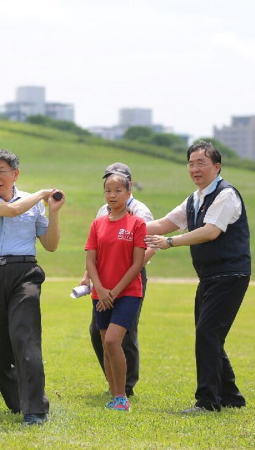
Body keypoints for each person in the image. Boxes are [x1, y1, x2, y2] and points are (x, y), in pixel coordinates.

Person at [144, 140, 250, 413]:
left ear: (217, 166)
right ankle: (231, 397)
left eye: (201, 163)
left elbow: (210, 231)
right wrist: (120, 226)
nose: (195, 169)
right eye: (191, 163)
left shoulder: (226, 195)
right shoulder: (194, 199)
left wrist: (169, 242)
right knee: (210, 335)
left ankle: (207, 402)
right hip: (209, 277)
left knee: (207, 333)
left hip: (230, 274)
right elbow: (163, 223)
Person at [0, 149, 65, 426]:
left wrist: (53, 212)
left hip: (25, 273)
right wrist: (42, 194)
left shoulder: (34, 204)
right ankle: (19, 400)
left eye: (1, 171)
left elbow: (50, 244)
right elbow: (11, 211)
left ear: (15, 174)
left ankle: (35, 409)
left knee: (25, 339)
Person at [80, 163, 156, 398]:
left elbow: (146, 249)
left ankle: (126, 387)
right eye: (107, 187)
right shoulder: (101, 213)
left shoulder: (140, 213)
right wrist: (92, 280)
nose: (112, 193)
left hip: (130, 278)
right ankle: (114, 386)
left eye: (118, 188)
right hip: (102, 281)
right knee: (99, 333)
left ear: (129, 187)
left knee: (125, 335)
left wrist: (116, 287)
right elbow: (94, 252)